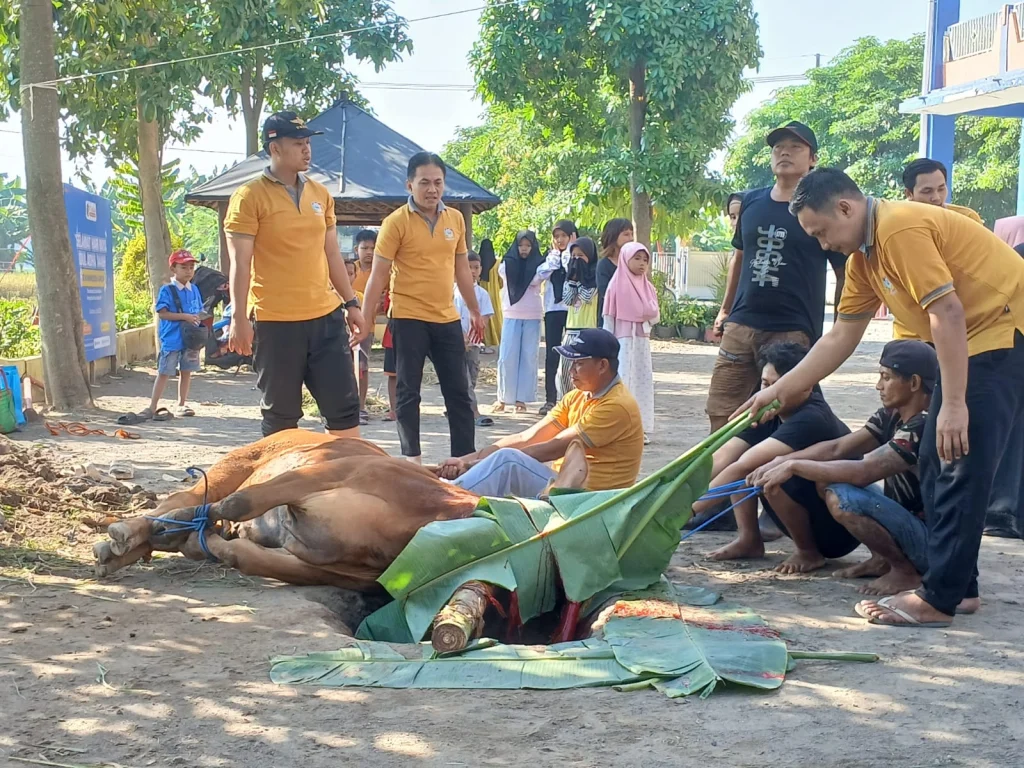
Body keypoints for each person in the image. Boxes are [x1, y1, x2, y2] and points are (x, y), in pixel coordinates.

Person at [742, 167, 1024, 628]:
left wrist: (952, 404)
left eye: (821, 231)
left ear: (846, 208)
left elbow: (947, 311)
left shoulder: (899, 228)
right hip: (971, 343)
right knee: (937, 458)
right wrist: (777, 391)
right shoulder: (863, 260)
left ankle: (940, 598)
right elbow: (840, 337)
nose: (821, 243)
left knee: (958, 461)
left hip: (1002, 336)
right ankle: (959, 587)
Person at [749, 340, 940, 598]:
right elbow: (838, 448)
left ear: (915, 383)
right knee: (830, 481)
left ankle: (905, 571)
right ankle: (882, 560)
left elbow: (865, 470)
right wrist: (782, 461)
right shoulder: (891, 414)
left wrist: (794, 465)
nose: (878, 385)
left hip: (931, 539)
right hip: (908, 522)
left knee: (843, 498)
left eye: (886, 377)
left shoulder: (922, 424)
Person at [224, 111, 365, 438]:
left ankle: (343, 481)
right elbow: (240, 264)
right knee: (282, 416)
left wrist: (351, 303)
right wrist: (238, 319)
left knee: (344, 411)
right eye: (298, 143)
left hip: (326, 318)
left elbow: (332, 254)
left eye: (308, 143)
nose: (307, 150)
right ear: (275, 148)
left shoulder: (320, 194)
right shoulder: (248, 197)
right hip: (276, 322)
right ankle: (280, 488)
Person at [707, 121, 848, 433]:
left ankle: (773, 477)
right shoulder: (752, 202)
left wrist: (841, 325)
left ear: (813, 158)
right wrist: (725, 309)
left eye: (795, 147)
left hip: (793, 330)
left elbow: (844, 272)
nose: (784, 152)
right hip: (742, 326)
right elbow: (739, 257)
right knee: (722, 408)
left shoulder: (821, 208)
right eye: (778, 147)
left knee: (786, 411)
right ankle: (718, 476)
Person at [358, 152, 484, 463]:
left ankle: (463, 459)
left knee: (459, 392)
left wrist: (474, 310)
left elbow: (462, 271)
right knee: (407, 392)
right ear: (410, 185)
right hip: (408, 317)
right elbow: (379, 274)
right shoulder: (395, 222)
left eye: (438, 182)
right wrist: (363, 319)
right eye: (424, 182)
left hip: (446, 318)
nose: (432, 189)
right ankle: (411, 459)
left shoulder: (455, 219)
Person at [694, 341, 857, 572]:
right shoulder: (766, 407)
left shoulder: (811, 417)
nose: (768, 392)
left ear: (805, 386)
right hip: (804, 506)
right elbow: (722, 457)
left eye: (777, 386)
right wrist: (676, 485)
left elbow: (741, 467)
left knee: (764, 474)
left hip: (838, 527)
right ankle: (749, 539)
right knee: (750, 468)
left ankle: (808, 552)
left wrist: (687, 509)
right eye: (765, 384)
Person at [436, 328, 644, 496]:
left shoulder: (616, 405)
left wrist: (472, 465)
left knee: (508, 461)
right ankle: (450, 490)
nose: (571, 371)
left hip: (592, 498)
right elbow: (527, 437)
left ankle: (445, 499)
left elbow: (553, 447)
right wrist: (464, 460)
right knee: (505, 459)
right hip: (566, 484)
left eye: (579, 364)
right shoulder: (577, 396)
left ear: (602, 366)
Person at [603, 242, 659, 441]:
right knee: (624, 382)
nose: (642, 264)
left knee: (641, 383)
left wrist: (644, 313)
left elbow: (654, 315)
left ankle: (639, 428)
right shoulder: (615, 285)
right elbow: (608, 317)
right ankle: (619, 428)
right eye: (637, 258)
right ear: (625, 259)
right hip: (622, 341)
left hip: (641, 342)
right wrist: (607, 347)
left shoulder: (648, 287)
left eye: (645, 260)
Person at [143, 249, 204, 421]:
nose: (188, 271)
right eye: (183, 267)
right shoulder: (167, 290)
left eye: (191, 267)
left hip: (190, 340)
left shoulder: (195, 290)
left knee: (187, 371)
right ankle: (153, 406)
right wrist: (184, 317)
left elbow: (199, 310)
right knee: (164, 372)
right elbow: (162, 313)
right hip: (172, 338)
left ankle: (181, 404)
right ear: (173, 269)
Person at [494, 230, 545, 413]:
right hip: (511, 314)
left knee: (528, 357)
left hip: (532, 315)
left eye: (528, 246)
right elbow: (512, 276)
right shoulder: (507, 264)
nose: (524, 249)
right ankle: (502, 398)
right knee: (507, 356)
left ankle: (521, 400)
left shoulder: (540, 265)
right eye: (521, 245)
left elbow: (536, 278)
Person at [538, 219, 577, 415]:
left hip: (572, 310)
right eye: (557, 237)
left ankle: (572, 398)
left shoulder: (577, 256)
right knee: (552, 354)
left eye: (564, 236)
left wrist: (570, 252)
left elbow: (573, 270)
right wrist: (555, 254)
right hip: (553, 308)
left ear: (572, 236)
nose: (560, 240)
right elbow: (542, 274)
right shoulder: (551, 257)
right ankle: (550, 399)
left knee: (574, 354)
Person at [556, 236, 601, 400]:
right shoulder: (570, 279)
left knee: (585, 376)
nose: (577, 260)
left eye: (581, 256)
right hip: (570, 332)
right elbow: (568, 300)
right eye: (574, 256)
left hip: (587, 331)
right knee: (564, 376)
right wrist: (573, 280)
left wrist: (580, 280)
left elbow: (586, 296)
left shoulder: (595, 278)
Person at [455, 251, 496, 427]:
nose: (472, 271)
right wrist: (460, 336)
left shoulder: (482, 294)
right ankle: (474, 411)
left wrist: (472, 335)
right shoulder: (452, 292)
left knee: (471, 376)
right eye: (468, 267)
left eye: (476, 267)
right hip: (455, 341)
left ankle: (458, 407)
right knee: (461, 377)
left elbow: (484, 318)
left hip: (473, 343)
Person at [902, 158, 983, 224]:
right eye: (927, 191)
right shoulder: (898, 222)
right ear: (909, 194)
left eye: (941, 189)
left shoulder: (967, 218)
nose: (936, 198)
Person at [351, 229, 377, 424]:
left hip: (367, 327)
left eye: (373, 248)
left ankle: (361, 407)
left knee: (362, 367)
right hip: (343, 327)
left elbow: (381, 301)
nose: (369, 251)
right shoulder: (349, 270)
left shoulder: (380, 271)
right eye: (365, 248)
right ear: (356, 249)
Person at [596, 218, 634, 318]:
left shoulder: (634, 264)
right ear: (613, 236)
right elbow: (606, 294)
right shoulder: (604, 265)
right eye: (626, 234)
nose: (631, 238)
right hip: (611, 321)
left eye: (632, 234)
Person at [478, 238, 503, 348]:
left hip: (481, 294)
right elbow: (501, 282)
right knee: (495, 316)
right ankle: (496, 340)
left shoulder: (478, 263)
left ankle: (484, 341)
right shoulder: (497, 263)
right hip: (494, 295)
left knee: (483, 316)